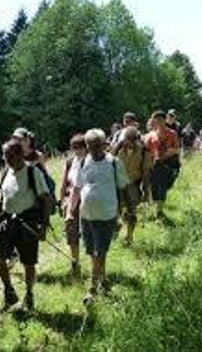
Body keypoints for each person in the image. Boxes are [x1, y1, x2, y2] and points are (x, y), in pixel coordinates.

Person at [66, 129, 133, 304]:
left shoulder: (113, 163)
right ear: (86, 146)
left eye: (97, 145)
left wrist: (130, 209)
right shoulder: (82, 163)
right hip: (86, 215)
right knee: (92, 252)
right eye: (90, 146)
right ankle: (103, 280)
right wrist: (70, 213)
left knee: (99, 252)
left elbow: (124, 187)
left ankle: (92, 289)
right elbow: (76, 189)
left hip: (107, 215)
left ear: (103, 145)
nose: (94, 149)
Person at [0, 139, 51, 312]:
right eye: (5, 157)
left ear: (20, 154)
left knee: (28, 262)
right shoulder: (6, 172)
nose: (8, 160)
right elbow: (3, 197)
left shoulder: (33, 173)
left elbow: (46, 199)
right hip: (7, 222)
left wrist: (44, 225)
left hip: (28, 223)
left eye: (10, 156)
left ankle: (29, 294)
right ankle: (9, 291)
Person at [111, 126, 152, 245]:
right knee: (113, 212)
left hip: (132, 184)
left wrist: (146, 191)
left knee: (131, 212)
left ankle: (129, 236)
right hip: (116, 184)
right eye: (127, 139)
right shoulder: (116, 149)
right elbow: (108, 164)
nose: (129, 142)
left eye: (132, 139)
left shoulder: (144, 151)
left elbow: (146, 172)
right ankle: (115, 230)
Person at [60, 134, 87, 277]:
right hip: (70, 200)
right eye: (75, 147)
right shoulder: (70, 162)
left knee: (88, 232)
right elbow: (64, 182)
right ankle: (75, 262)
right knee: (72, 233)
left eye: (81, 147)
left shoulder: (90, 161)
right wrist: (61, 200)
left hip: (87, 200)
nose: (78, 150)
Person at [145, 111, 181, 217]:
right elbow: (146, 151)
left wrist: (170, 152)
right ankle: (157, 210)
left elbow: (178, 149)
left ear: (165, 120)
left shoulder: (172, 133)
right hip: (154, 165)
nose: (159, 123)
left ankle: (159, 211)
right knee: (154, 188)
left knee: (164, 187)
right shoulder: (150, 136)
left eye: (161, 120)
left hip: (167, 164)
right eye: (156, 120)